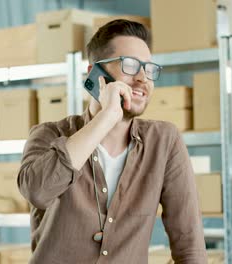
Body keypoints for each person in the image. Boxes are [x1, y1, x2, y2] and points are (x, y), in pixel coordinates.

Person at [18, 19, 207, 263]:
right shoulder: (48, 135)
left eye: (148, 69)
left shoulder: (164, 141)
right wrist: (106, 118)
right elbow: (37, 192)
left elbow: (189, 245)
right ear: (94, 74)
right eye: (129, 65)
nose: (142, 78)